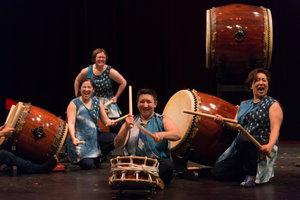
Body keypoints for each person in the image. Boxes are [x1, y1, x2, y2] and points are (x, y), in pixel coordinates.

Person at [211, 68, 283, 187]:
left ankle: (251, 175)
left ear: (268, 85)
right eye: (257, 80)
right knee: (218, 172)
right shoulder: (244, 104)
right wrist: (223, 121)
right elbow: (236, 125)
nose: (261, 83)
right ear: (251, 85)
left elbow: (276, 129)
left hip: (260, 144)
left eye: (264, 80)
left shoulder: (273, 105)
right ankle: (245, 170)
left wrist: (270, 145)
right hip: (243, 146)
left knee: (243, 139)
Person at [114, 88, 181, 187]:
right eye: (142, 102)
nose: (145, 105)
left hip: (156, 163)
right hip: (133, 163)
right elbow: (117, 144)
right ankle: (146, 181)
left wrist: (162, 134)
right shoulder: (129, 122)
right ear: (137, 103)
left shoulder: (162, 119)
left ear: (155, 104)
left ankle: (139, 180)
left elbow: (177, 135)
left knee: (168, 166)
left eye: (149, 102)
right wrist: (126, 129)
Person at [67, 78, 116, 170]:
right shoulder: (74, 103)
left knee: (115, 139)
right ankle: (92, 158)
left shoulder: (97, 102)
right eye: (84, 87)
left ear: (93, 90)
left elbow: (106, 121)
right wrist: (73, 138)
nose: (86, 89)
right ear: (80, 89)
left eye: (89, 87)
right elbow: (71, 123)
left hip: (94, 138)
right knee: (88, 165)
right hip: (80, 141)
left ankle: (98, 156)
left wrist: (111, 122)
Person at [74, 48, 127, 119]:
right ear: (94, 58)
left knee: (110, 126)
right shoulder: (87, 70)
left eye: (103, 57)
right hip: (91, 102)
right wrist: (77, 94)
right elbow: (77, 80)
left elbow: (123, 82)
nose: (101, 59)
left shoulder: (109, 71)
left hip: (107, 103)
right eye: (99, 57)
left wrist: (116, 97)